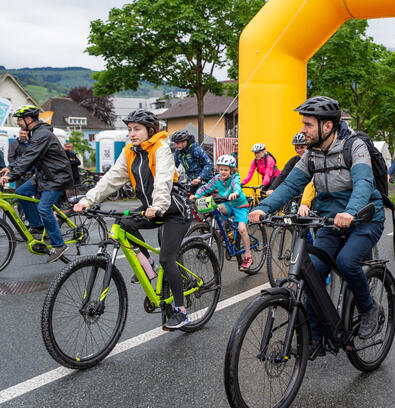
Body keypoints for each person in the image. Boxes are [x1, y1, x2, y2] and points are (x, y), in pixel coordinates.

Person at [249, 95, 385, 350]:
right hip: (328, 221)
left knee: (346, 262)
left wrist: (352, 211)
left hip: (365, 217)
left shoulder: (354, 146)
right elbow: (290, 184)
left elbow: (364, 182)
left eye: (308, 124)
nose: (302, 130)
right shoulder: (311, 154)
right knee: (312, 272)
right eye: (303, 124)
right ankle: (314, 337)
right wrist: (263, 208)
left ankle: (369, 310)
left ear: (328, 126)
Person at [72, 109, 192, 329]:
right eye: (129, 129)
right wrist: (88, 200)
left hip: (174, 209)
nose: (132, 133)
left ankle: (182, 312)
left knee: (168, 258)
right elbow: (111, 179)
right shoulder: (129, 152)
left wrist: (158, 205)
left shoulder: (161, 148)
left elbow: (164, 180)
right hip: (151, 208)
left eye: (137, 129)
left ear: (150, 130)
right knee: (124, 224)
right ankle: (148, 263)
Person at [0, 105, 73, 262]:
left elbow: (30, 157)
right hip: (44, 176)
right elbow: (27, 155)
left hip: (57, 177)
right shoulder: (35, 133)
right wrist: (9, 168)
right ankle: (37, 226)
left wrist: (10, 176)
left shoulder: (42, 134)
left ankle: (59, 245)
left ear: (29, 119)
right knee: (20, 192)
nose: (19, 123)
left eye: (20, 120)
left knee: (44, 208)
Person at [191, 154, 252, 270]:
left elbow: (237, 186)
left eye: (226, 170)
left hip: (240, 205)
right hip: (227, 204)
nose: (223, 172)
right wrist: (196, 195)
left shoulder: (235, 178)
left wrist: (236, 193)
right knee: (216, 208)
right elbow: (205, 187)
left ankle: (248, 256)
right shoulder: (217, 179)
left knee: (242, 229)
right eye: (221, 169)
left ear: (231, 170)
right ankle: (227, 234)